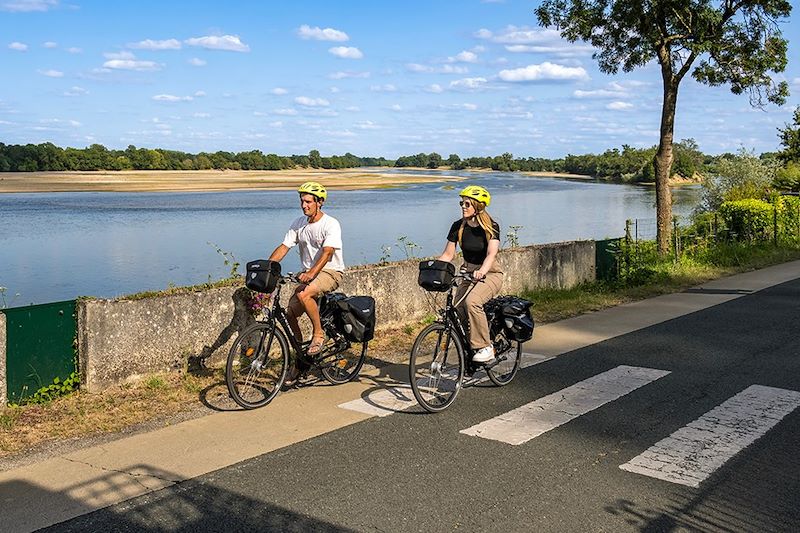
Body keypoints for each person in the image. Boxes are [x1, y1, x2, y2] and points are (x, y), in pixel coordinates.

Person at [267, 181, 345, 382]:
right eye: (302, 201)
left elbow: (328, 253)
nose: (304, 206)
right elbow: (284, 247)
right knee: (289, 313)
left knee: (304, 293)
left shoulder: (331, 224)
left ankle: (318, 334)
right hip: (309, 274)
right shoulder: (298, 224)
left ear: (319, 202)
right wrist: (267, 268)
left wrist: (311, 273)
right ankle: (301, 356)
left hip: (330, 272)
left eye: (308, 202)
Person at [437, 185, 503, 363]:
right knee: (457, 309)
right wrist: (434, 270)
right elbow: (448, 255)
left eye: (467, 204)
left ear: (478, 206)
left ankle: (485, 347)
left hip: (490, 273)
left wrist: (482, 271)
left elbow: (492, 254)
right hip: (467, 272)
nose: (463, 206)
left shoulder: (491, 227)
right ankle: (470, 348)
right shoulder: (458, 226)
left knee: (472, 302)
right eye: (462, 203)